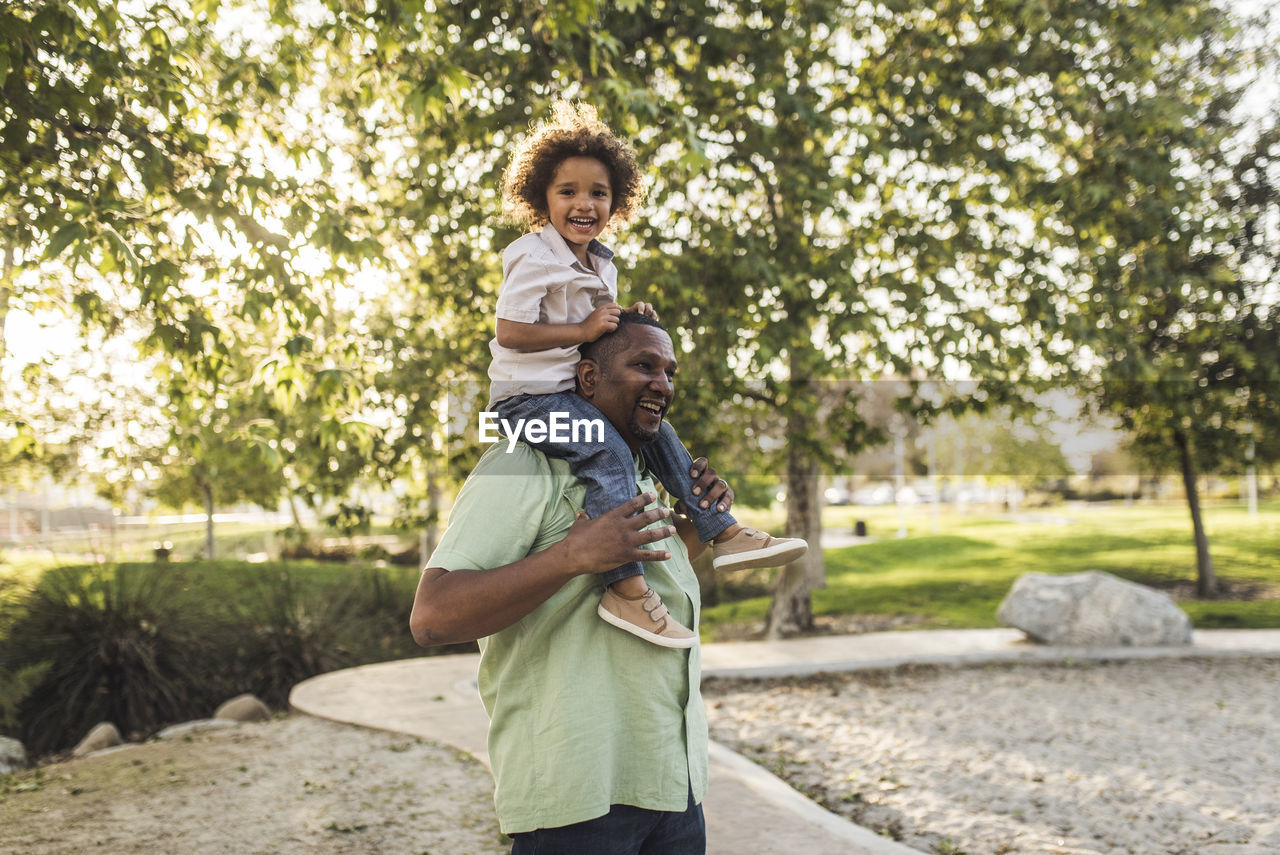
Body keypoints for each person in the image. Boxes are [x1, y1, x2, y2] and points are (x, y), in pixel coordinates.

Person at [487, 101, 806, 648]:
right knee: (607, 449)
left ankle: (721, 532)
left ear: (617, 201)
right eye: (568, 191)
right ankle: (626, 592)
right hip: (524, 404)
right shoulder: (531, 256)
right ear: (541, 196)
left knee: (657, 435)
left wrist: (628, 326)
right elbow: (512, 332)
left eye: (598, 193)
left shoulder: (600, 262)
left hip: (570, 394)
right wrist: (586, 329)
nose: (584, 203)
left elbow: (600, 342)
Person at [413, 313, 726, 853]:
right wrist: (570, 557)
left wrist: (698, 523)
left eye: (670, 372)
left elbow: (661, 578)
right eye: (643, 366)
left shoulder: (640, 475)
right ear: (587, 380)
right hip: (578, 801)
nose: (663, 384)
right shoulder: (521, 463)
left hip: (676, 789)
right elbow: (433, 618)